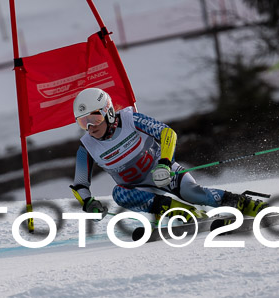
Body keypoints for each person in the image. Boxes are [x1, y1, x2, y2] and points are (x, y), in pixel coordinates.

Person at [69, 87, 268, 221]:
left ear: (108, 112)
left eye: (93, 119)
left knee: (194, 193)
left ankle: (248, 205)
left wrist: (165, 163)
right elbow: (80, 184)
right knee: (119, 193)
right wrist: (88, 202)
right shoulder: (86, 146)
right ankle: (188, 214)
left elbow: (167, 133)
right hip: (139, 190)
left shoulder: (130, 119)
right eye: (82, 122)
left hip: (164, 173)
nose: (89, 127)